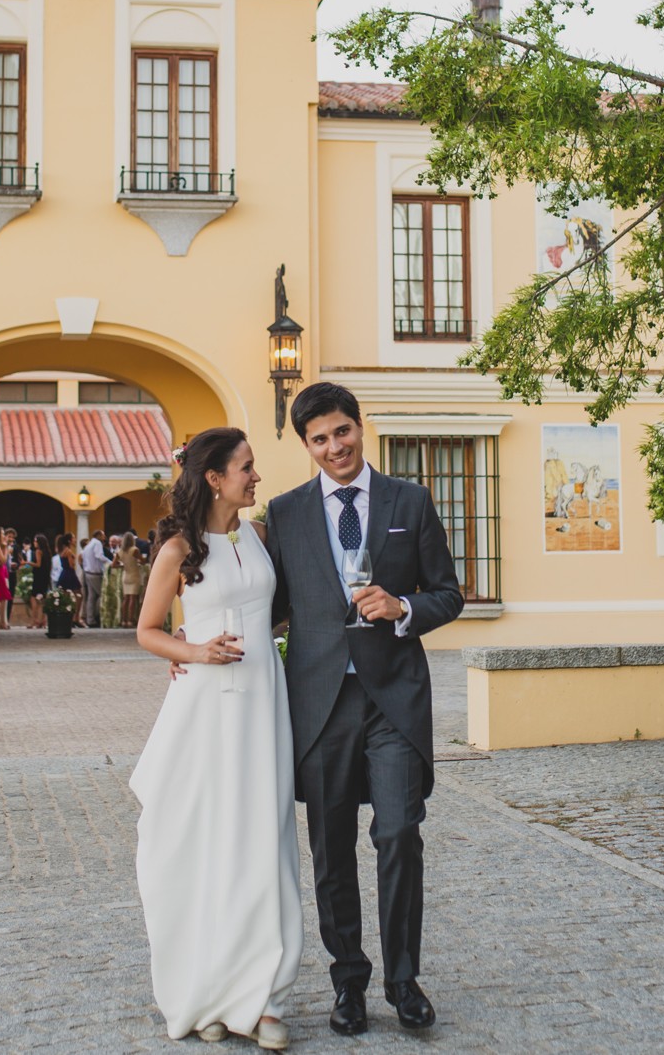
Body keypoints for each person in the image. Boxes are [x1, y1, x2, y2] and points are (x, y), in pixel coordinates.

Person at [267, 381, 463, 1035]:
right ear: (306, 444)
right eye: (319, 438)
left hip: (394, 698)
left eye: (342, 431)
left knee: (399, 829)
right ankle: (348, 980)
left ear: (359, 426)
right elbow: (266, 610)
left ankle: (403, 980)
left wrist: (403, 607)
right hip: (321, 702)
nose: (334, 447)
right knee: (330, 848)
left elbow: (448, 594)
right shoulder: (287, 512)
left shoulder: (411, 499)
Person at [131, 427, 298, 1050]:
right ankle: (205, 991)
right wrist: (193, 649)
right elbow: (147, 631)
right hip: (206, 707)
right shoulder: (177, 547)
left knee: (264, 839)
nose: (256, 477)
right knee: (202, 842)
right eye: (247, 467)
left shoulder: (256, 537)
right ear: (215, 477)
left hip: (263, 700)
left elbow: (272, 611)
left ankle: (266, 1001)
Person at [53, 531, 85, 626]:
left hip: (64, 574)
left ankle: (68, 618)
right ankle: (76, 617)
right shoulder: (69, 551)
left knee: (66, 597)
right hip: (69, 574)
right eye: (74, 538)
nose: (75, 540)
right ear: (69, 540)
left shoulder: (63, 550)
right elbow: (71, 565)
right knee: (79, 595)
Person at [80, 528, 109, 627]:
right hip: (95, 574)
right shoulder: (97, 543)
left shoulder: (89, 545)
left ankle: (90, 619)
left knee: (91, 597)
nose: (104, 537)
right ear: (99, 535)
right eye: (103, 535)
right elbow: (99, 555)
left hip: (88, 573)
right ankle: (102, 617)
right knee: (103, 595)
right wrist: (110, 562)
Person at [118, 533, 145, 628]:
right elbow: (142, 561)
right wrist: (138, 562)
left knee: (125, 598)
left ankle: (123, 620)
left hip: (125, 574)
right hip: (134, 574)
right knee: (132, 599)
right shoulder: (134, 550)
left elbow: (113, 564)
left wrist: (122, 565)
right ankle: (130, 620)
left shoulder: (120, 551)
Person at [28, 533, 52, 627]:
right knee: (42, 598)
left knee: (34, 598)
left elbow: (38, 564)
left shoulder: (38, 551)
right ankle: (43, 620)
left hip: (38, 576)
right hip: (45, 576)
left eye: (35, 541)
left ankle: (34, 620)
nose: (34, 543)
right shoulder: (47, 552)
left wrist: (27, 562)